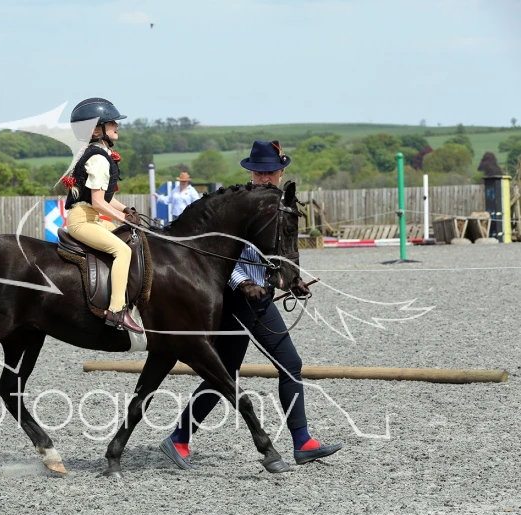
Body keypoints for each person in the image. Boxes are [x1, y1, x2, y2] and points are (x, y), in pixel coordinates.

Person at [159, 140, 343, 469]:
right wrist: (243, 283)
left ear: (281, 172)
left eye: (270, 172)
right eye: (259, 173)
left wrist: (291, 279)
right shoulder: (238, 204)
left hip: (259, 294)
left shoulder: (280, 205)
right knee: (288, 363)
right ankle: (302, 442)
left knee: (226, 372)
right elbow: (215, 253)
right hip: (238, 298)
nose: (264, 178)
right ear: (251, 173)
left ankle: (180, 438)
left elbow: (281, 251)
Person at [63, 98, 143, 333]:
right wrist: (122, 218)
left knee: (133, 236)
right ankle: (116, 310)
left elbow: (105, 198)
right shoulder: (98, 159)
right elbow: (98, 203)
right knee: (122, 250)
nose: (117, 126)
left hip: (92, 218)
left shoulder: (99, 154)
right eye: (111, 123)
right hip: (83, 221)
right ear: (96, 130)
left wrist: (126, 210)